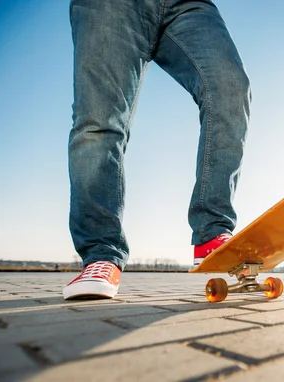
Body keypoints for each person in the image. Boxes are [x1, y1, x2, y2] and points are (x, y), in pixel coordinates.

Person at [63, 0, 250, 300]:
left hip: (188, 5)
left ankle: (212, 232)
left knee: (230, 89)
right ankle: (100, 254)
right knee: (100, 121)